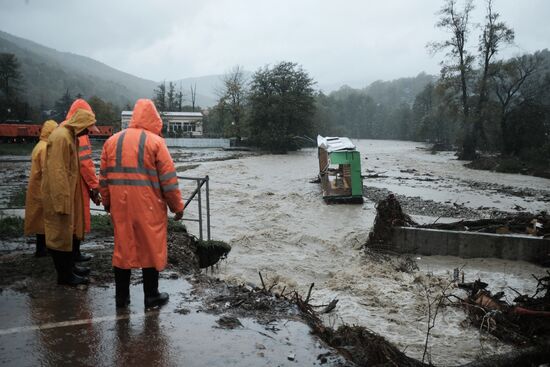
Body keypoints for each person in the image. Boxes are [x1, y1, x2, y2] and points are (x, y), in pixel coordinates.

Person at [99, 99, 184, 308]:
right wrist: (177, 207)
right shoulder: (155, 143)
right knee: (150, 247)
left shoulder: (111, 141)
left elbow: (104, 178)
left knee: (122, 249)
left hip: (120, 205)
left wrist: (108, 203)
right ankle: (151, 296)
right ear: (154, 119)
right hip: (149, 207)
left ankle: (121, 298)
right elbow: (169, 180)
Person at [42, 108, 99, 286]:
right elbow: (57, 172)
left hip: (66, 195)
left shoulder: (69, 136)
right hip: (60, 198)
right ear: (80, 124)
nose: (88, 132)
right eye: (87, 128)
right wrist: (62, 202)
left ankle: (69, 269)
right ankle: (64, 276)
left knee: (66, 234)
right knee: (60, 236)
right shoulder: (62, 138)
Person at [61, 99, 101, 262]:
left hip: (68, 181)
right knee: (78, 218)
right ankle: (74, 254)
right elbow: (85, 163)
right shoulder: (79, 133)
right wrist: (95, 186)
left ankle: (71, 254)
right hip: (77, 183)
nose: (88, 132)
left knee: (70, 218)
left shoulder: (63, 127)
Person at [24, 120, 58, 257]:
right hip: (42, 189)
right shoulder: (45, 148)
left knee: (40, 220)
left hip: (36, 188)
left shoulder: (40, 145)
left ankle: (41, 248)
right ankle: (42, 249)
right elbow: (47, 170)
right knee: (44, 220)